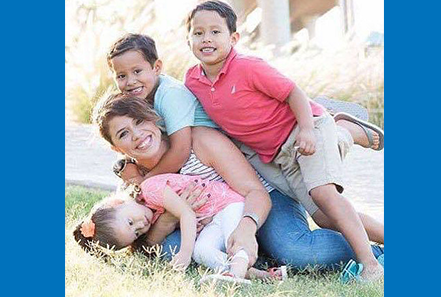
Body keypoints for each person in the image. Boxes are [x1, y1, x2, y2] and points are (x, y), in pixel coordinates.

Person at [184, 0, 384, 281]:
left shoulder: (248, 67)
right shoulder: (192, 80)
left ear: (233, 38)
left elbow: (294, 93)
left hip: (304, 130)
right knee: (324, 216)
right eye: (198, 32)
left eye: (215, 32)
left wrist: (306, 130)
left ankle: (371, 266)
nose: (206, 39)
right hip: (274, 154)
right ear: (188, 39)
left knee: (325, 194)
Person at [90, 94, 384, 273]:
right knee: (168, 252)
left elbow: (255, 192)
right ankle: (255, 253)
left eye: (139, 123)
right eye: (124, 134)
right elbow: (141, 242)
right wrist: (169, 218)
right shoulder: (134, 177)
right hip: (215, 220)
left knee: (296, 251)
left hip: (259, 200)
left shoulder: (199, 142)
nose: (138, 135)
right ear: (117, 148)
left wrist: (246, 227)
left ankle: (375, 252)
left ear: (153, 119)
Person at [73, 172, 286, 283]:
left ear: (118, 203)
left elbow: (186, 213)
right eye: (136, 233)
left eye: (131, 222)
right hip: (214, 219)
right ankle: (261, 275)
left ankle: (236, 277)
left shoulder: (151, 189)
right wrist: (190, 251)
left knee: (234, 238)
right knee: (201, 252)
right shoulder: (150, 211)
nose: (142, 226)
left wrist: (184, 254)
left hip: (230, 203)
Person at [106, 33, 217, 184]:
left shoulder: (170, 94)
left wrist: (146, 182)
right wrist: (125, 165)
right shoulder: (140, 94)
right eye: (121, 76)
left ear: (156, 67)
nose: (130, 81)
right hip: (182, 160)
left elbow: (180, 152)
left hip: (206, 158)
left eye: (137, 71)